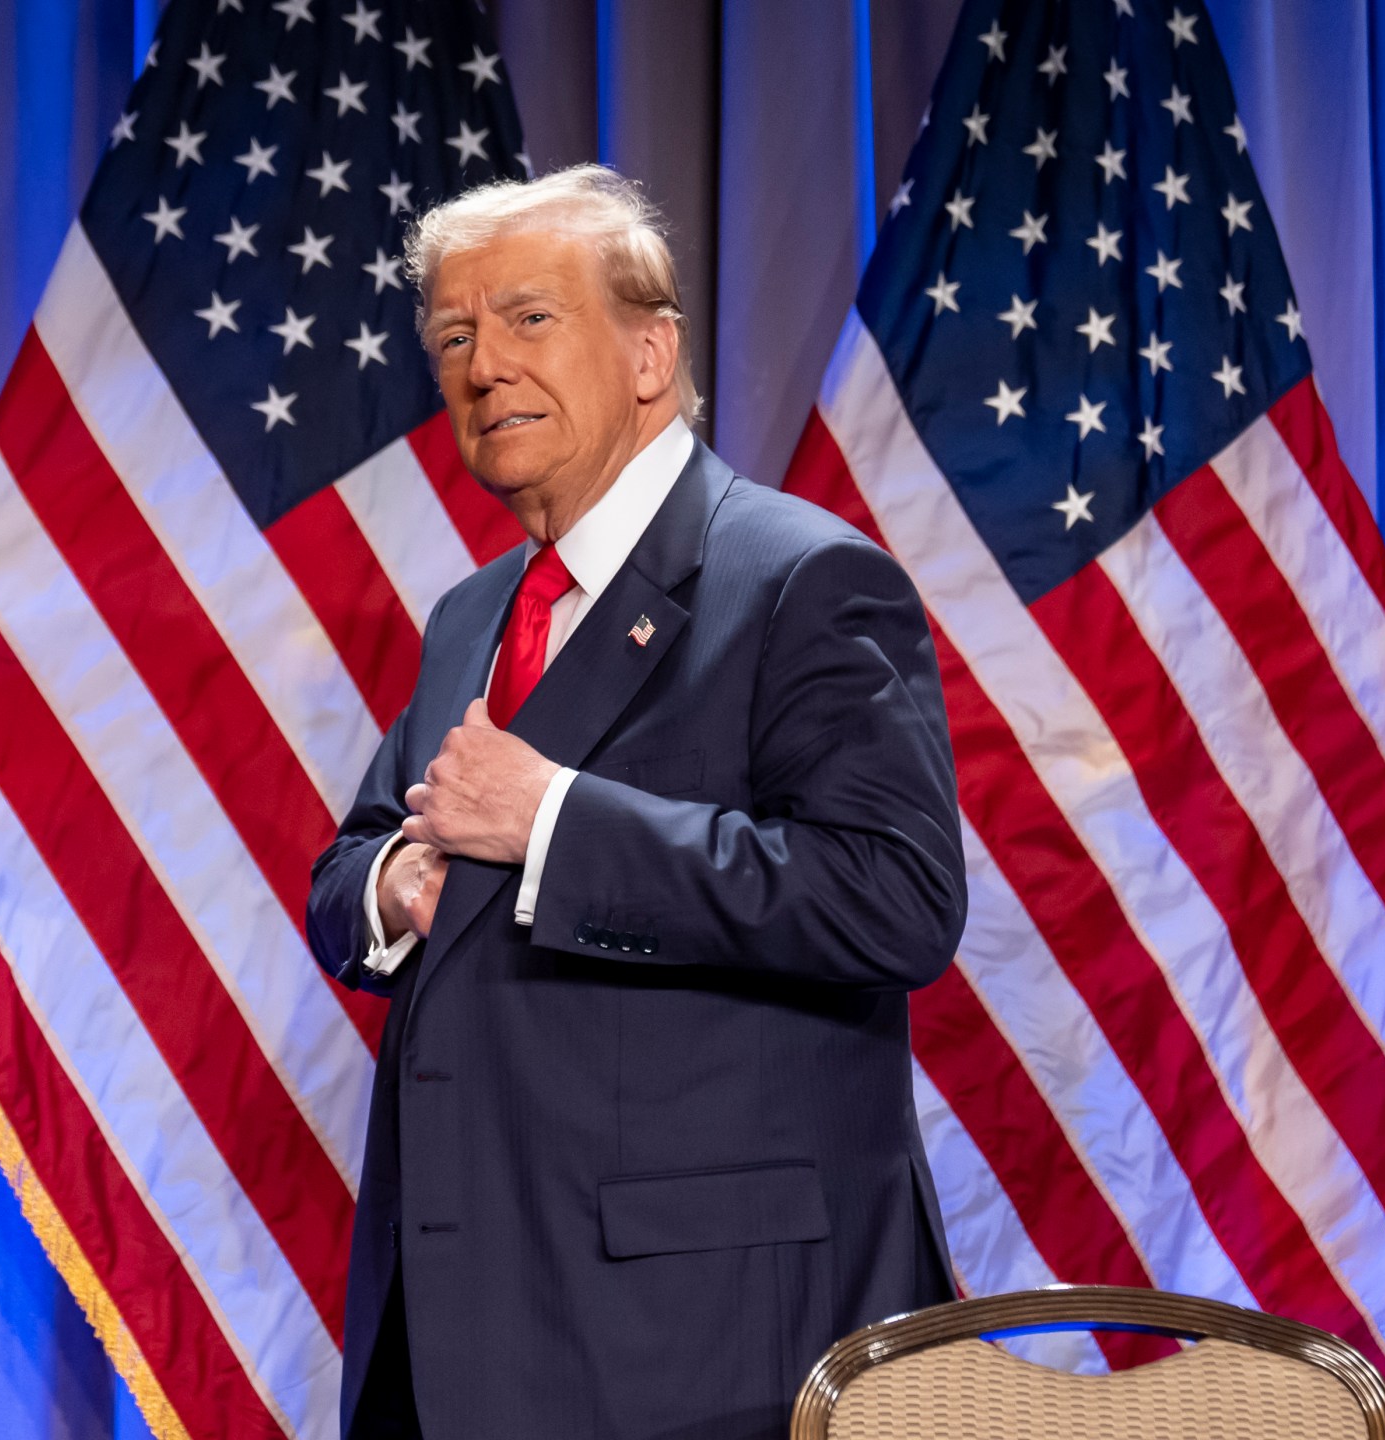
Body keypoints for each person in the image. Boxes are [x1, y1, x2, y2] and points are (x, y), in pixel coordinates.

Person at [305, 164, 966, 1440]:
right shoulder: (471, 617)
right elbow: (353, 865)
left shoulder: (805, 578)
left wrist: (554, 824)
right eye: (452, 336)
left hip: (701, 1349)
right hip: (456, 1332)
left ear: (652, 353)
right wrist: (397, 886)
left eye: (527, 319)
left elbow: (898, 899)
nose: (482, 364)